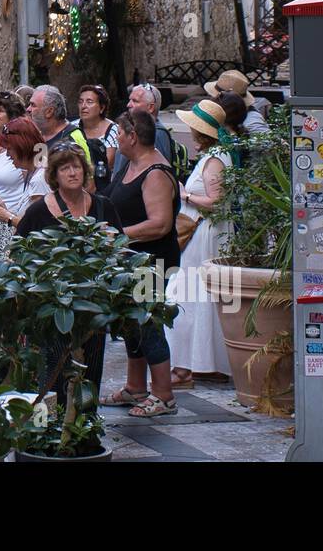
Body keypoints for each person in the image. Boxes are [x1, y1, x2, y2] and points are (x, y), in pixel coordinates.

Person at [14, 143, 116, 404]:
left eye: (77, 167)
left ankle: (86, 427)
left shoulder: (102, 207)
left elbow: (121, 249)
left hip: (93, 303)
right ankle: (54, 426)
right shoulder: (38, 211)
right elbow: (18, 252)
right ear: (54, 175)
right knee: (54, 368)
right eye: (65, 168)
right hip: (53, 303)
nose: (73, 173)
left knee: (91, 370)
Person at [102, 108, 181, 417]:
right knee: (131, 322)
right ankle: (135, 388)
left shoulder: (156, 173)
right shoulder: (133, 164)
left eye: (119, 134)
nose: (116, 139)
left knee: (149, 322)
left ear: (133, 137)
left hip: (153, 261)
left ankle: (164, 395)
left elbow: (160, 224)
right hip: (130, 260)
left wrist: (118, 236)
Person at [167, 99, 234, 387]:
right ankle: (200, 362)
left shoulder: (215, 159)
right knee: (201, 298)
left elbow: (216, 203)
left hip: (205, 234)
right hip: (207, 233)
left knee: (186, 295)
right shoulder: (218, 156)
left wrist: (186, 196)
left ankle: (186, 365)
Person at [0, 116, 51, 257]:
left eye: (9, 149)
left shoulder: (40, 179)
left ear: (23, 146)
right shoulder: (33, 173)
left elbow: (38, 228)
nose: (8, 155)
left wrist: (6, 216)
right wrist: (3, 208)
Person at [110, 83, 177, 180]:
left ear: (150, 108)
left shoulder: (157, 134)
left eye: (135, 101)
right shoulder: (134, 129)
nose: (128, 105)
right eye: (130, 100)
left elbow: (159, 174)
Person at [28, 85, 92, 165]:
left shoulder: (73, 136)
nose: (28, 109)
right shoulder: (38, 134)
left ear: (49, 112)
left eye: (33, 105)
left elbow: (87, 173)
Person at [77, 84, 119, 193]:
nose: (83, 106)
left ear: (102, 107)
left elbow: (107, 162)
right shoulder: (72, 128)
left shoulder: (114, 130)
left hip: (103, 188)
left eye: (89, 102)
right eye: (81, 101)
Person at [204, 69, 270, 134]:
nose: (211, 98)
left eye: (216, 98)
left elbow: (267, 140)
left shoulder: (251, 120)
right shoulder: (228, 115)